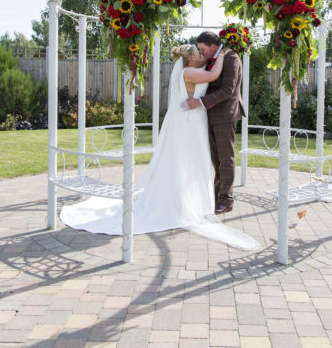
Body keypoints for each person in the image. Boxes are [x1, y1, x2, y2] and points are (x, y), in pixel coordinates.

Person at [60, 44, 259, 251]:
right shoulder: (190, 72)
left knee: (192, 160)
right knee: (189, 159)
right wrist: (224, 52)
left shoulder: (190, 70)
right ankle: (185, 202)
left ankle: (194, 199)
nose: (202, 54)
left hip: (194, 119)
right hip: (189, 121)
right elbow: (214, 74)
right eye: (198, 53)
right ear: (190, 59)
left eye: (203, 51)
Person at [185, 31, 246, 214]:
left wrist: (200, 102)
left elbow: (228, 90)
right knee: (216, 159)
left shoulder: (231, 58)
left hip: (226, 115)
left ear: (213, 46)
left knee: (225, 159)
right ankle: (217, 194)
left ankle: (226, 200)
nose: (201, 53)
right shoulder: (213, 58)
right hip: (211, 115)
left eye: (203, 49)